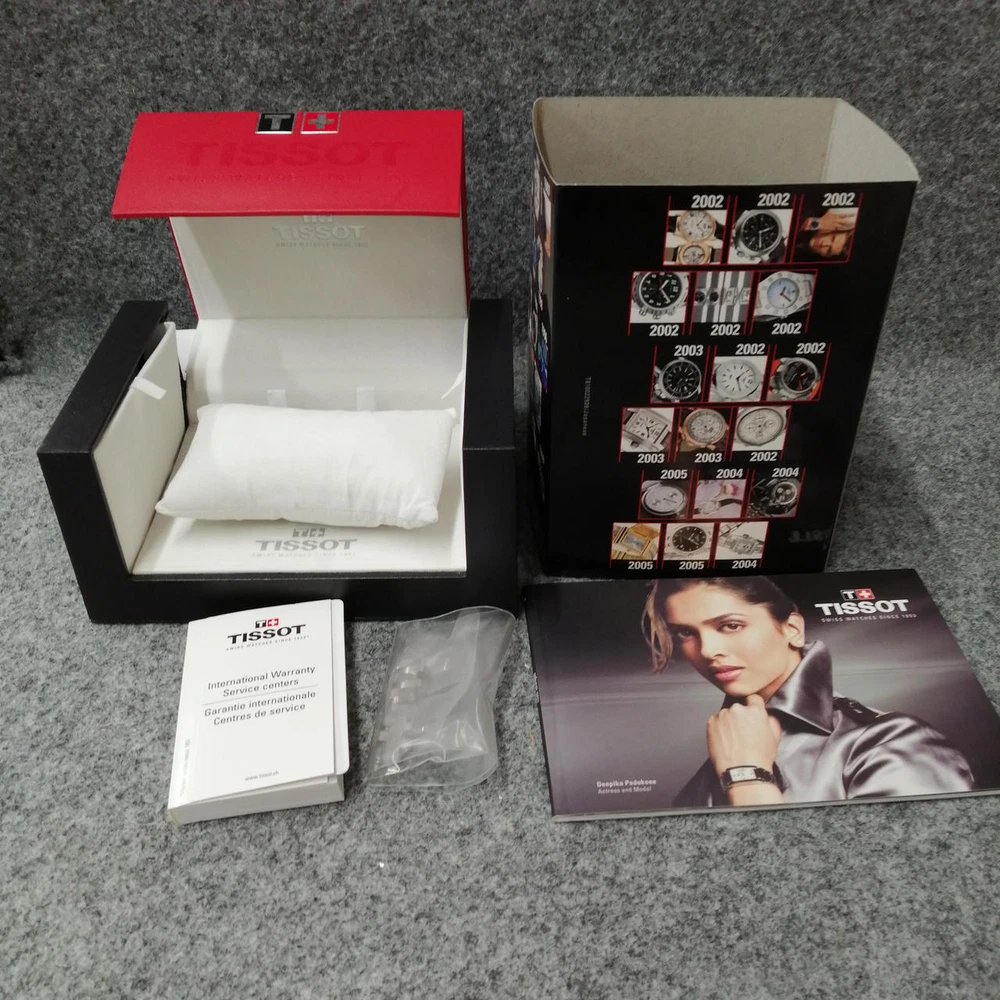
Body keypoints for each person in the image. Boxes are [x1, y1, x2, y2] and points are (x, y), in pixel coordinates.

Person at [641, 577, 974, 808]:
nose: (708, 650)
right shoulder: (714, 764)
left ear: (792, 629)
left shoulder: (888, 741)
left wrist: (747, 777)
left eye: (730, 625)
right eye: (686, 633)